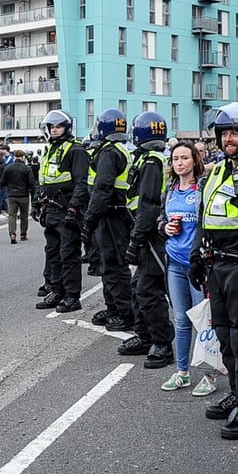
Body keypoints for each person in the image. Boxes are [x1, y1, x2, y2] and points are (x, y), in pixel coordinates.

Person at [192, 103, 238, 433]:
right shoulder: (218, 170)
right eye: (223, 134)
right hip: (217, 263)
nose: (227, 139)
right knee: (225, 336)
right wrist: (197, 253)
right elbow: (205, 215)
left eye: (234, 133)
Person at [117, 110, 175, 369]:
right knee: (137, 287)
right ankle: (144, 335)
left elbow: (148, 205)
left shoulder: (151, 163)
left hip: (151, 237)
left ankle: (162, 343)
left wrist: (136, 239)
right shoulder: (147, 159)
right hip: (144, 233)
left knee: (149, 291)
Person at [158, 140, 216, 396]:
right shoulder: (169, 191)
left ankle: (209, 374)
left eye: (184, 158)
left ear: (194, 161)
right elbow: (162, 219)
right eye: (175, 159)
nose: (179, 163)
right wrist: (165, 228)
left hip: (197, 265)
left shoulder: (202, 188)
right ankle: (182, 373)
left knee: (203, 321)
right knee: (181, 320)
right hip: (174, 264)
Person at [80, 109, 135, 331]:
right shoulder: (118, 149)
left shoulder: (108, 152)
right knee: (107, 265)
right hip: (114, 213)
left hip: (111, 214)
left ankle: (124, 313)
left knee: (114, 266)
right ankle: (113, 308)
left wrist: (89, 221)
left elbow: (102, 189)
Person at [36, 109, 90, 313]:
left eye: (58, 126)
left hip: (67, 210)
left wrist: (74, 207)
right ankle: (56, 291)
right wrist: (37, 202)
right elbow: (44, 178)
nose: (54, 130)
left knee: (69, 255)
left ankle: (71, 296)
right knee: (53, 254)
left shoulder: (75, 150)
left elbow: (82, 182)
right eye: (51, 127)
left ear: (66, 128)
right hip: (50, 209)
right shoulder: (50, 148)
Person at [3, 149, 36, 243]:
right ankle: (23, 234)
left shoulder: (8, 168)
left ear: (14, 157)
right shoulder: (27, 168)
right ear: (23, 157)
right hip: (24, 195)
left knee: (12, 215)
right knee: (24, 215)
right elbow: (31, 182)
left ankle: (12, 234)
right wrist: (34, 192)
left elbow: (3, 181)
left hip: (12, 195)